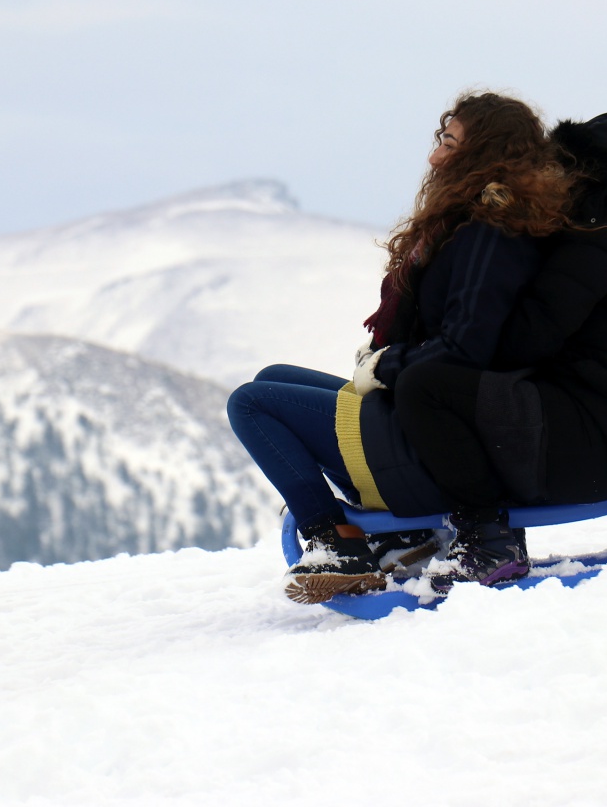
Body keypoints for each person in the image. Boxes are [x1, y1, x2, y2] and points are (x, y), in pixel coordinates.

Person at [226, 92, 577, 604]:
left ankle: (337, 543)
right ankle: (405, 537)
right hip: (428, 416)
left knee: (250, 403)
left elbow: (467, 347)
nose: (435, 156)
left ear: (486, 153)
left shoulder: (489, 234)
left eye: (450, 143)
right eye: (441, 140)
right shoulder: (472, 224)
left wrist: (388, 364)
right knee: (271, 375)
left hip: (439, 435)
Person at [397, 111, 607, 518]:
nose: (549, 174)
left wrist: (463, 336)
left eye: (563, 163)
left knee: (426, 386)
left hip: (606, 438)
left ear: (590, 170)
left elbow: (529, 336)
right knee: (442, 384)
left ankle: (487, 538)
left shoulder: (605, 230)